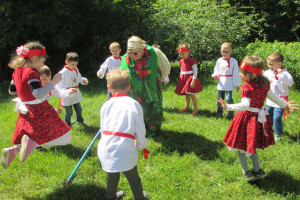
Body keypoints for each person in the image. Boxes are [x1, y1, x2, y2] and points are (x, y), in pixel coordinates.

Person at [219, 55, 298, 181]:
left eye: (243, 73)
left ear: (253, 75)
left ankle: (246, 172)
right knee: (251, 145)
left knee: (240, 146)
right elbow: (274, 98)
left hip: (246, 119)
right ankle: (257, 170)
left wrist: (227, 106)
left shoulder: (246, 87)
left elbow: (245, 105)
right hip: (258, 119)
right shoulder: (265, 84)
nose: (240, 74)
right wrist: (285, 105)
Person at [1, 41, 72, 169]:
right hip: (40, 110)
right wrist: (54, 82)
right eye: (42, 61)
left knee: (47, 137)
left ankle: (12, 151)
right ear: (34, 58)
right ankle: (32, 144)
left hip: (26, 111)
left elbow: (12, 91)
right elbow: (38, 94)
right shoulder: (32, 72)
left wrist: (24, 90)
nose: (43, 64)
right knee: (66, 138)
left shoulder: (17, 71)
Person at [97, 68, 149, 200]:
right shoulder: (134, 104)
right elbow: (140, 128)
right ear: (129, 87)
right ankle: (140, 198)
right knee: (133, 178)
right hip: (124, 150)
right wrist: (141, 143)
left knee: (112, 177)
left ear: (109, 88)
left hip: (106, 148)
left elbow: (103, 128)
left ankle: (111, 197)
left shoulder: (105, 105)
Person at [120, 36, 171, 136]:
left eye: (135, 53)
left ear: (142, 50)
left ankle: (152, 131)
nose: (131, 55)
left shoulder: (153, 53)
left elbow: (163, 66)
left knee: (153, 107)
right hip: (134, 89)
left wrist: (164, 77)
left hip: (152, 86)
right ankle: (137, 130)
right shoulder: (125, 58)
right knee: (136, 109)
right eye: (129, 52)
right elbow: (122, 73)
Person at [264, 52, 294, 142]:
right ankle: (268, 131)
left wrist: (280, 75)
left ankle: (278, 135)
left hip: (281, 100)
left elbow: (290, 83)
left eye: (271, 64)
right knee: (268, 116)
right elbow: (260, 77)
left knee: (277, 117)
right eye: (268, 64)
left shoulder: (285, 73)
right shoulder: (268, 73)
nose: (269, 66)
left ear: (279, 64)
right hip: (270, 99)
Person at [58, 52, 89, 126]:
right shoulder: (63, 73)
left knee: (79, 109)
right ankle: (67, 123)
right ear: (66, 62)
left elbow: (79, 77)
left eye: (76, 64)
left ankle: (80, 121)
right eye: (72, 64)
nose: (74, 66)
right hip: (67, 94)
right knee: (69, 112)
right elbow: (59, 85)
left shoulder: (76, 70)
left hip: (75, 93)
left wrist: (83, 81)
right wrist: (66, 92)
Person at [212, 42, 241, 119]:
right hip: (221, 82)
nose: (224, 53)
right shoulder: (219, 60)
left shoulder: (233, 61)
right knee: (220, 99)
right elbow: (216, 69)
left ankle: (231, 111)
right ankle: (219, 112)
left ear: (230, 51)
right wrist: (216, 74)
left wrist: (237, 84)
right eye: (222, 51)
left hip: (229, 82)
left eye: (226, 52)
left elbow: (236, 73)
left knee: (228, 98)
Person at [175, 43, 202, 116]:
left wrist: (193, 80)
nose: (181, 56)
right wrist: (180, 78)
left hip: (190, 79)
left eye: (183, 54)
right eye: (180, 54)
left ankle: (195, 109)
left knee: (192, 94)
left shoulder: (191, 61)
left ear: (188, 52)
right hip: (184, 78)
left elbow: (195, 71)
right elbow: (181, 70)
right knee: (187, 94)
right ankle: (186, 107)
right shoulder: (181, 61)